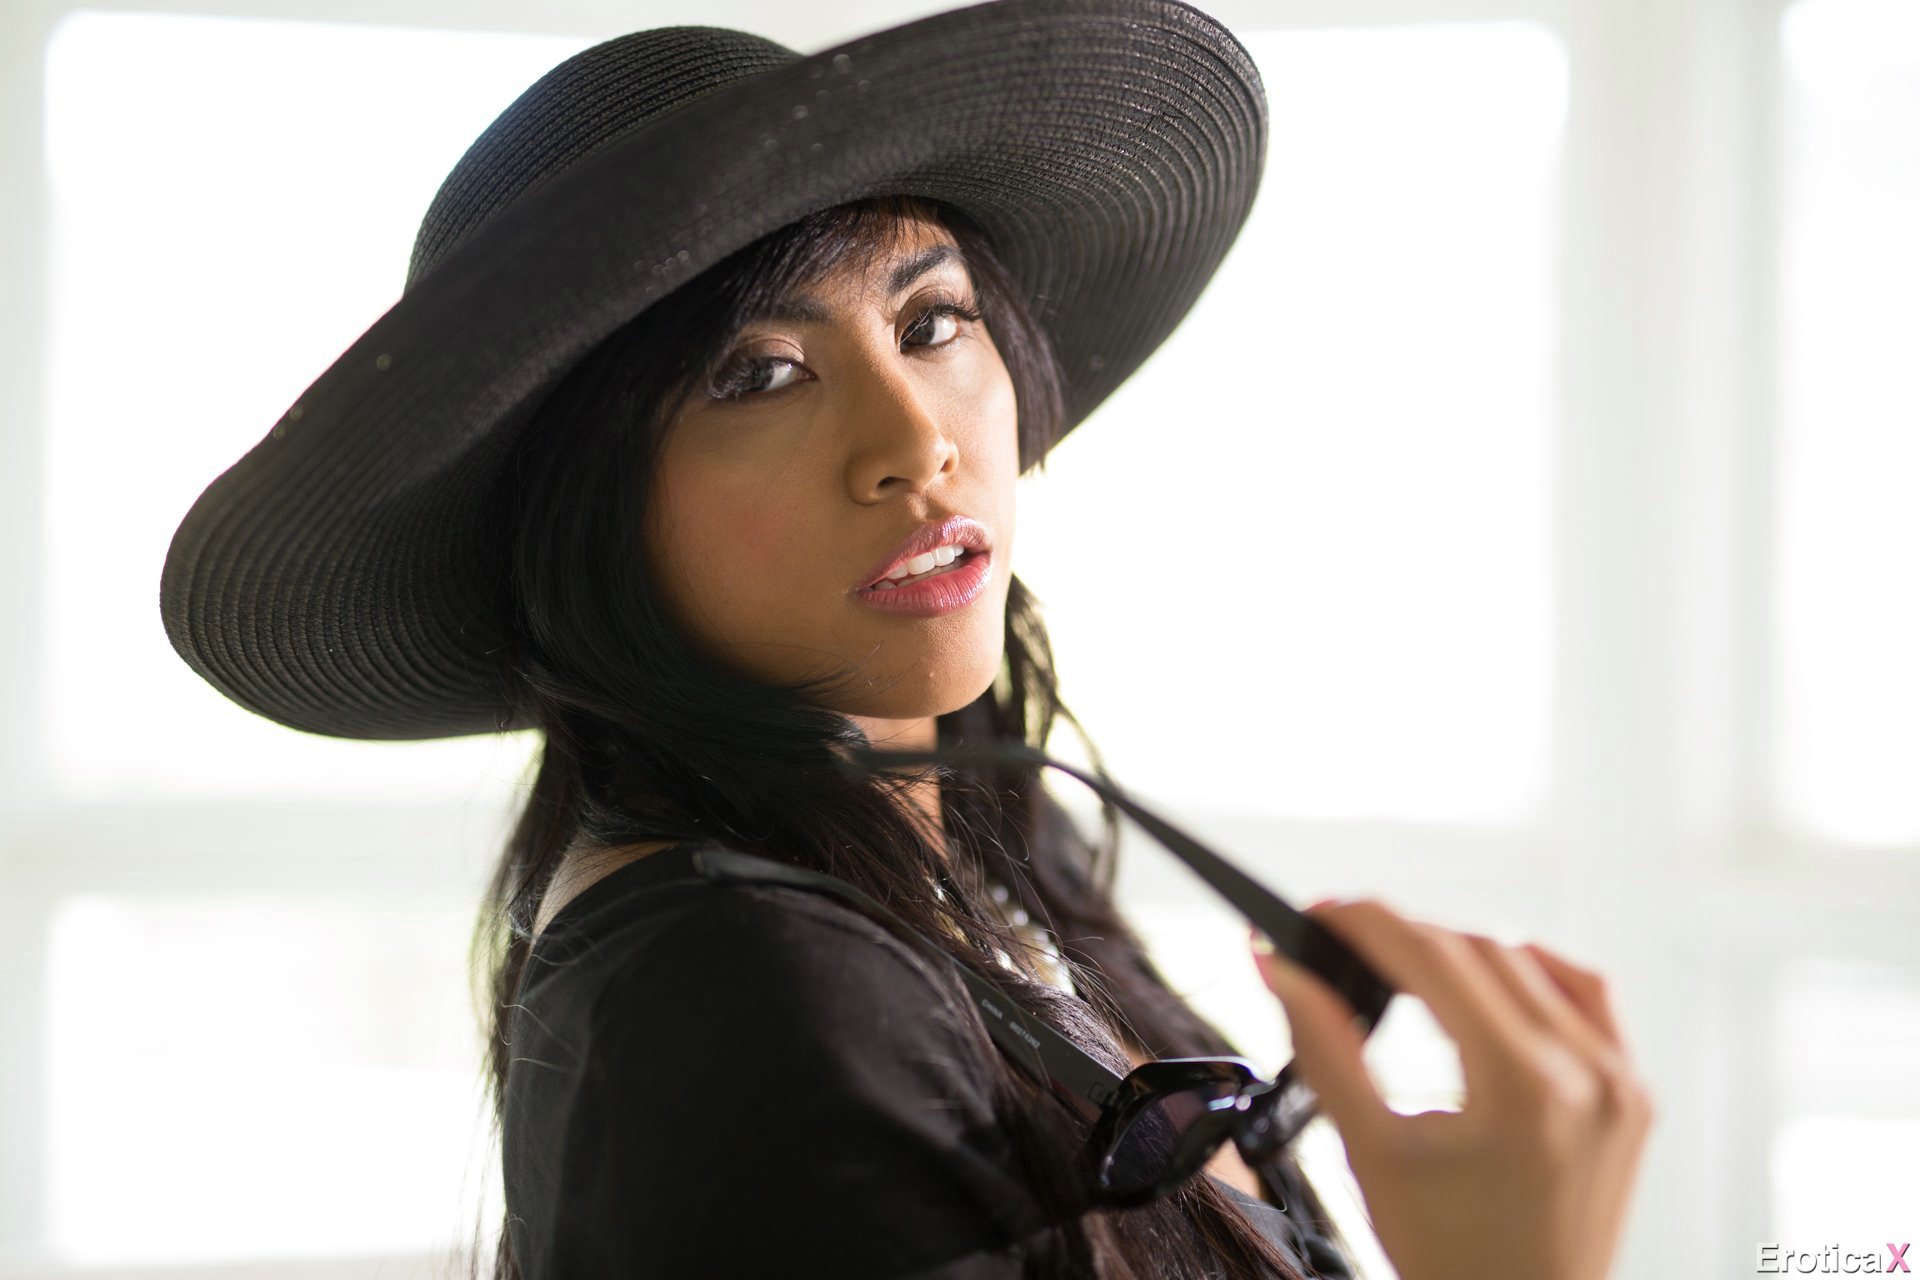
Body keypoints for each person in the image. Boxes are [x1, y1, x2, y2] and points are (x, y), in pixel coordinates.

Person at [158, 2, 1653, 1277]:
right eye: (757, 374)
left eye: (932, 321)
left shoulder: (983, 847)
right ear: (586, 518)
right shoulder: (742, 994)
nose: (914, 443)